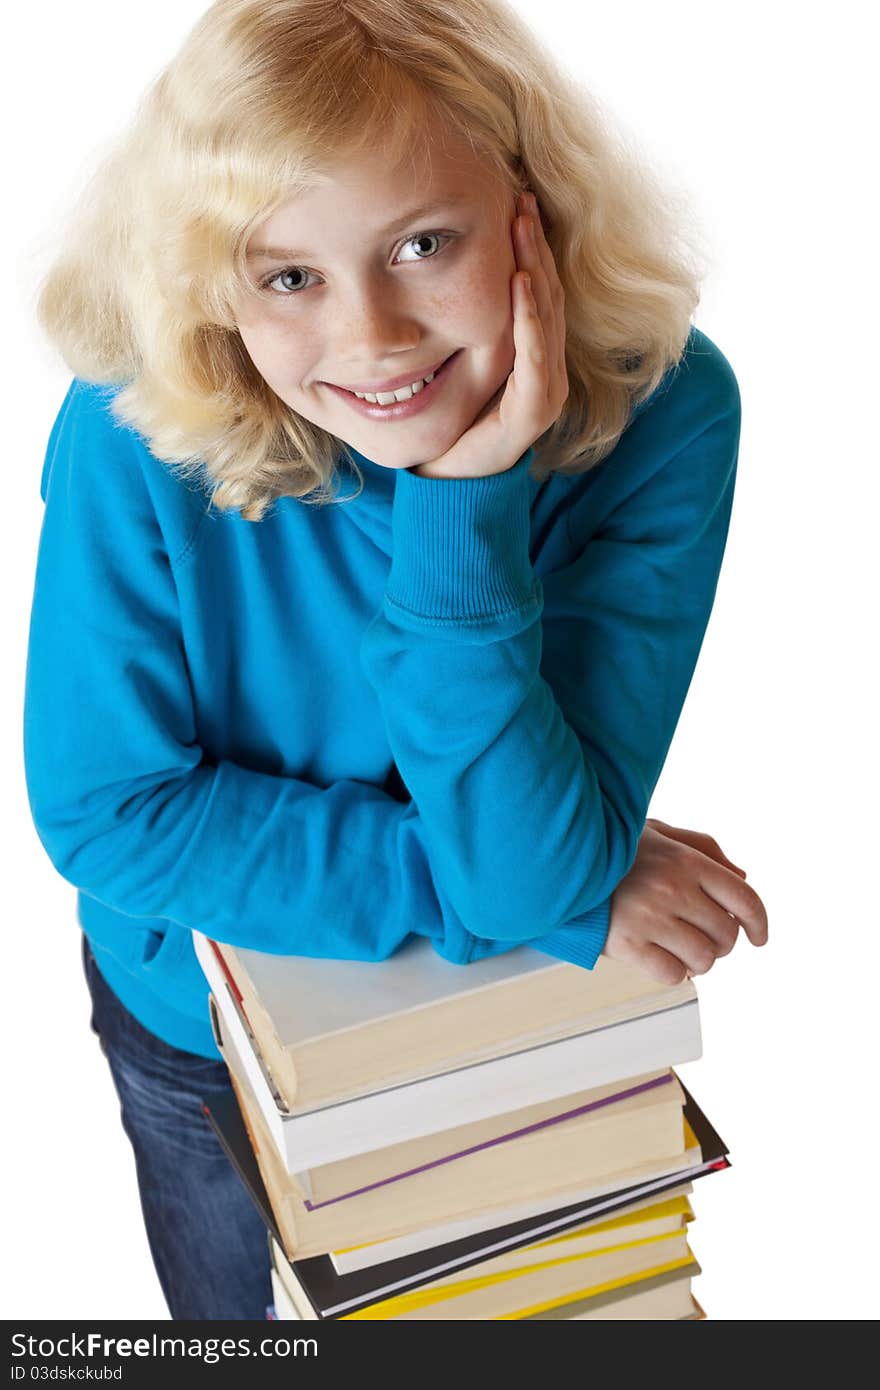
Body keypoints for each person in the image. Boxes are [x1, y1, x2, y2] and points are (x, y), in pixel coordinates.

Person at [23, 0, 768, 1321]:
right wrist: (549, 889)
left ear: (531, 210)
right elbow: (111, 812)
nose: (372, 335)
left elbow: (530, 866)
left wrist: (463, 500)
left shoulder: (667, 413)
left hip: (488, 1044)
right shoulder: (138, 421)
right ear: (213, 285)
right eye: (289, 277)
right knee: (234, 1329)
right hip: (199, 1029)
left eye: (424, 243)